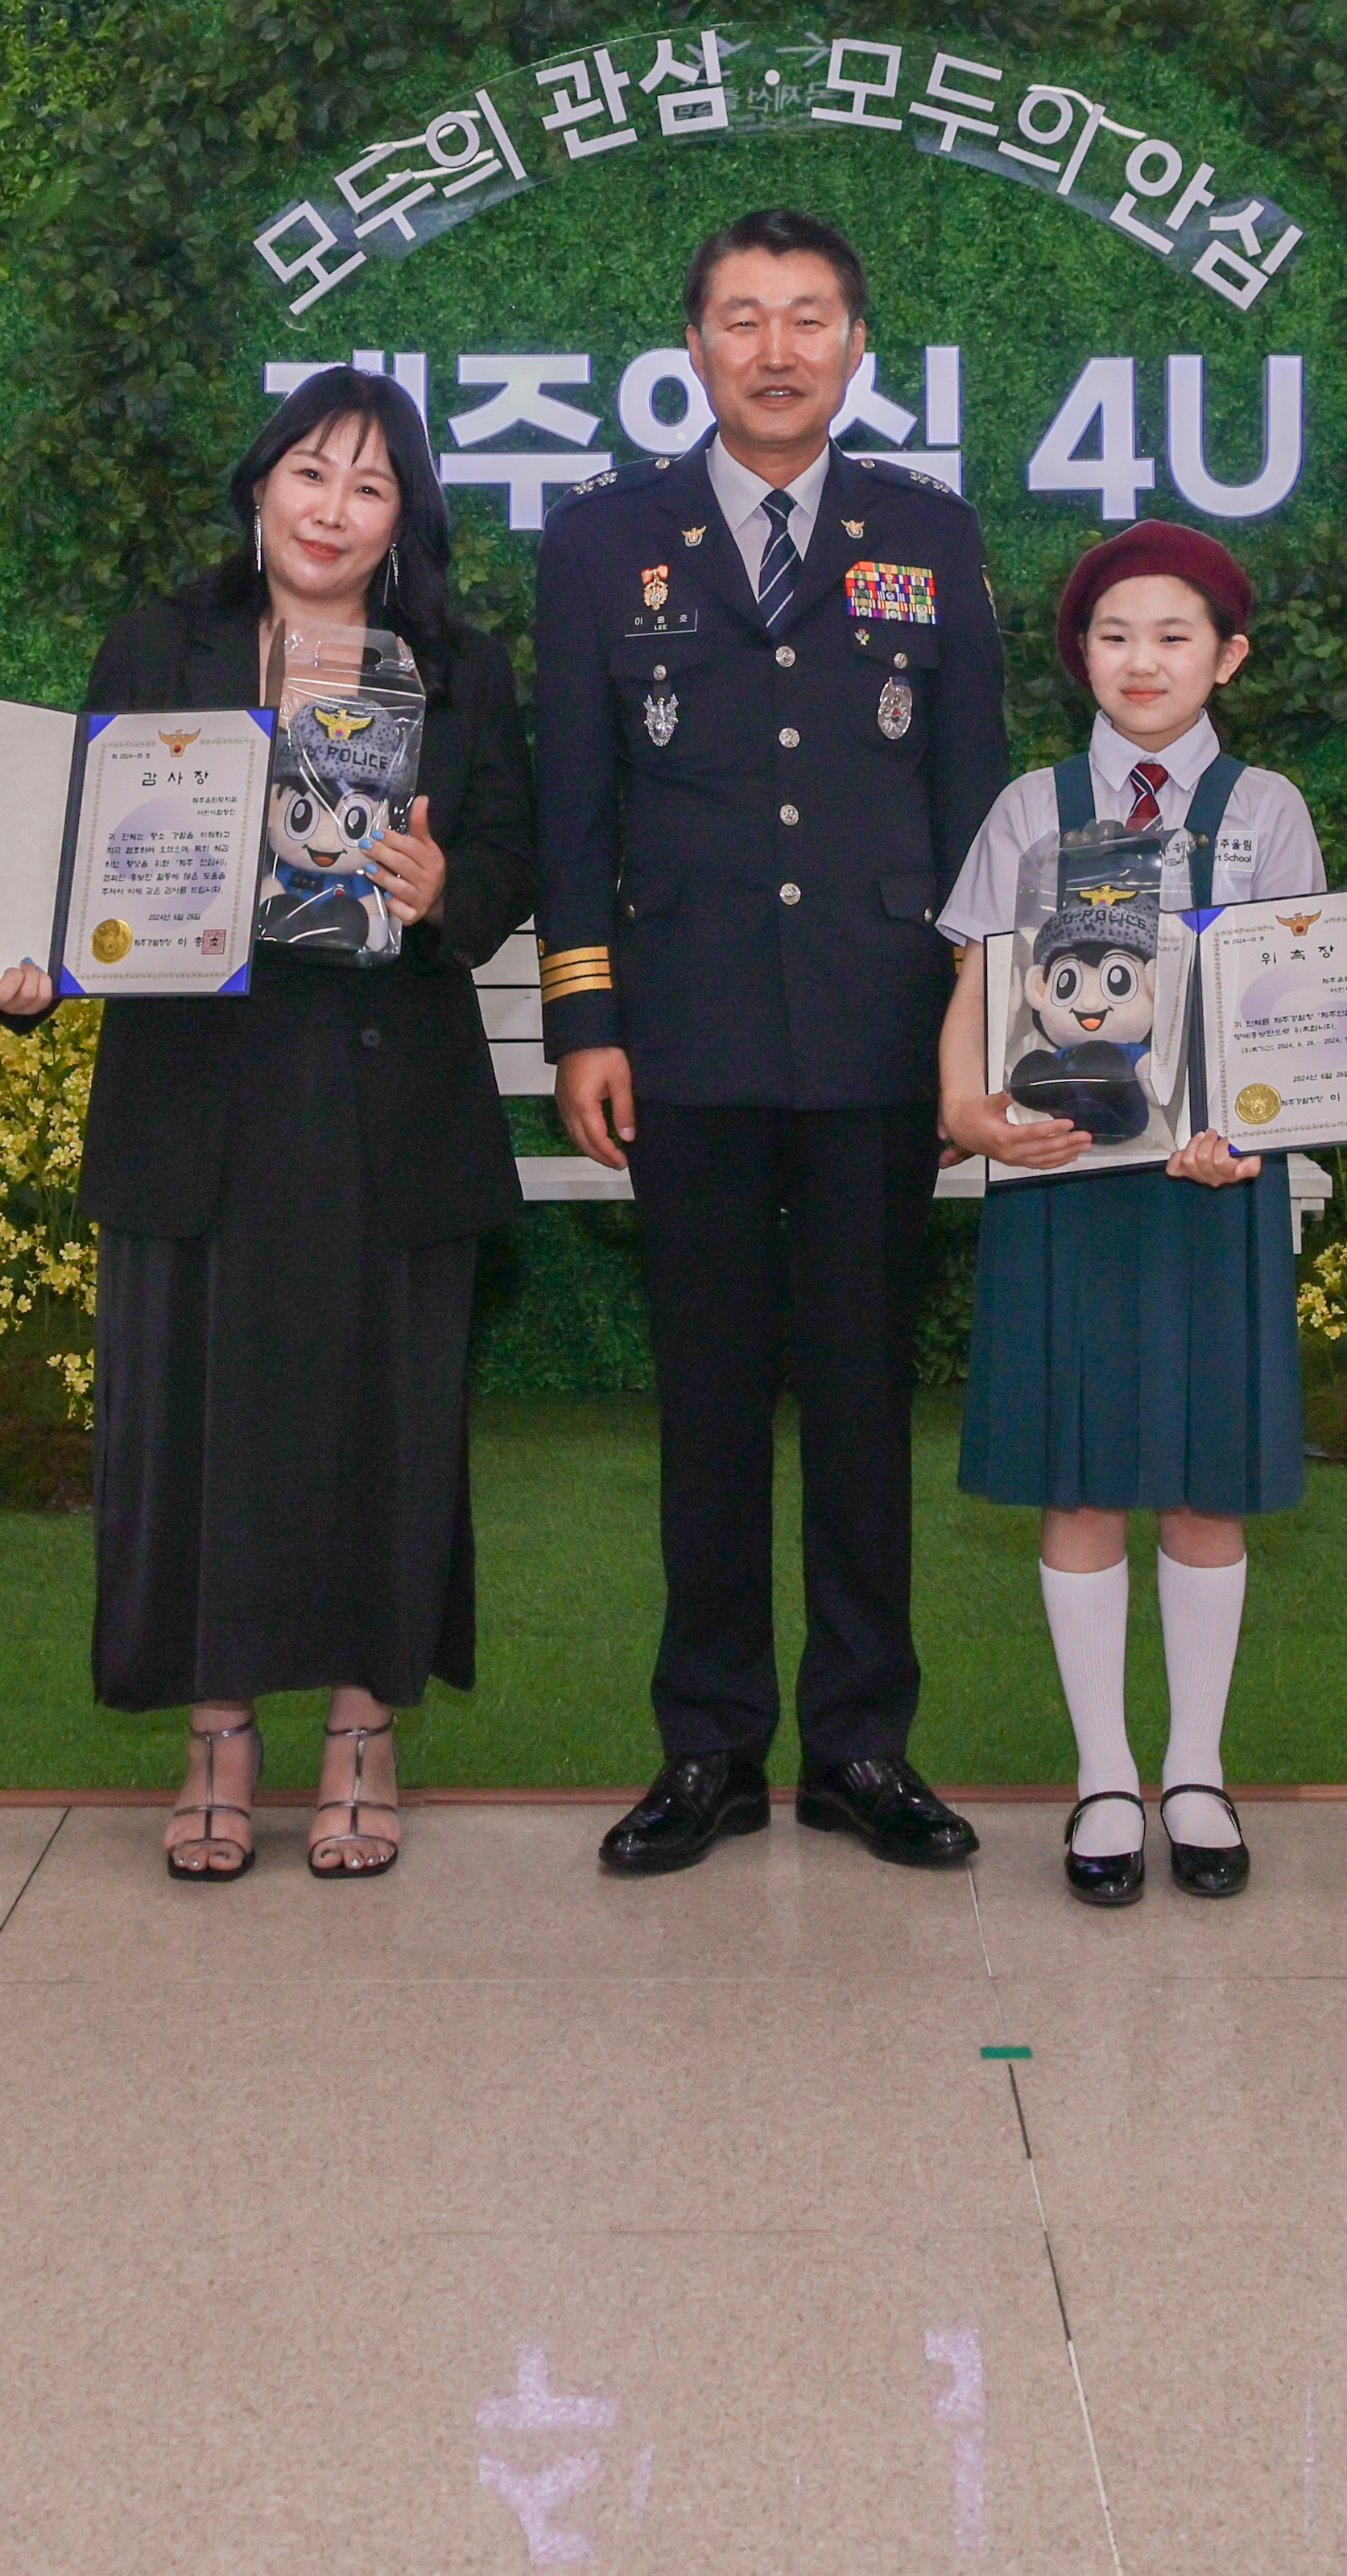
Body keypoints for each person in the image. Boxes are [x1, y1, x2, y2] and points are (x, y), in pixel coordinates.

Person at [0, 365, 523, 1883]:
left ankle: (361, 1733)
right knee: (187, 1422)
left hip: (382, 1092)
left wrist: (441, 896)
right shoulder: (166, 642)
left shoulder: (455, 664)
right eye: (306, 474)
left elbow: (508, 853)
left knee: (384, 1422)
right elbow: (86, 854)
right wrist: (34, 971)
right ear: (257, 486)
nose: (330, 510)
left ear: (404, 516)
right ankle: (215, 1736)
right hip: (194, 1093)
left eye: (368, 485)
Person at [537, 211, 1008, 1877]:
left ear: (860, 347)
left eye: (811, 317)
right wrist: (585, 1017)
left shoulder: (929, 533)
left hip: (884, 1040)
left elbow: (981, 816)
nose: (778, 346)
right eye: (743, 317)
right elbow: (575, 811)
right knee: (711, 1405)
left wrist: (976, 1033)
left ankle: (866, 1744)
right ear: (693, 350)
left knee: (870, 1402)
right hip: (688, 1036)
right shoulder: (607, 541)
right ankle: (712, 1746)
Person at [935, 521, 1311, 1907]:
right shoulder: (1029, 808)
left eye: (1172, 635)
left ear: (1228, 656)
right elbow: (977, 991)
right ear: (1077, 658)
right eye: (1112, 635)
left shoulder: (1264, 808)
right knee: (1081, 1480)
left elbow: (1290, 1002)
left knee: (1209, 1487)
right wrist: (968, 1114)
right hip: (1061, 1186)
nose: (1141, 661)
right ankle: (1103, 1775)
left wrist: (1252, 1133)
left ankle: (1196, 1771)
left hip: (1213, 1194)